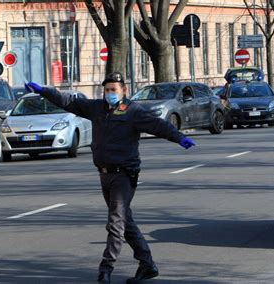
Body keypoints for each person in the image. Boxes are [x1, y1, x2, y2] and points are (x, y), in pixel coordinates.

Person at [25, 72, 196, 284]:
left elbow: (158, 125)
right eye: (106, 90)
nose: (110, 94)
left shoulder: (133, 111)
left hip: (124, 175)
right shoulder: (97, 108)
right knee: (126, 222)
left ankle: (105, 270)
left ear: (124, 91)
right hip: (104, 174)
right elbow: (69, 101)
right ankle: (147, 264)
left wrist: (179, 137)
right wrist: (44, 91)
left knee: (115, 223)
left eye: (114, 90)